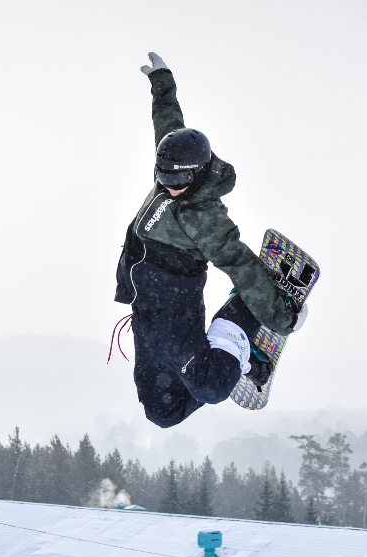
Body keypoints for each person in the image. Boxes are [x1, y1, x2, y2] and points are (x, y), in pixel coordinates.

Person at [114, 52, 306, 428]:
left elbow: (241, 264)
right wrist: (161, 80)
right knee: (161, 412)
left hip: (174, 316)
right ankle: (232, 359)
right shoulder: (175, 167)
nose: (169, 189)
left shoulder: (204, 216)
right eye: (163, 179)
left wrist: (281, 319)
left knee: (213, 388)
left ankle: (240, 326)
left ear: (198, 175)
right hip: (144, 314)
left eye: (178, 183)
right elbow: (168, 122)